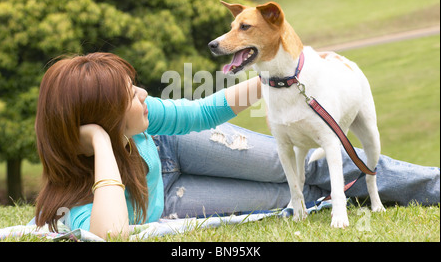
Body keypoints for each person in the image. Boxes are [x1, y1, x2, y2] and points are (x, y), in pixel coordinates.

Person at [34, 52, 440, 240]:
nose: (142, 93)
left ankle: (431, 185)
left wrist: (280, 76)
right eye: (128, 94)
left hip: (176, 148)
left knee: (308, 164)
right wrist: (103, 143)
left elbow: (199, 113)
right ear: (100, 119)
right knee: (290, 194)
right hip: (172, 202)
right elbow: (111, 234)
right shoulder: (76, 207)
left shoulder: (143, 116)